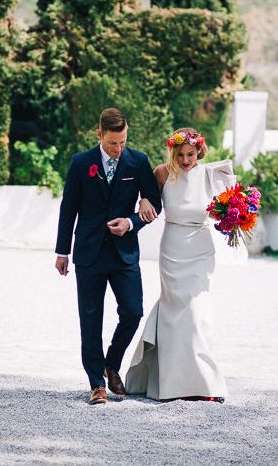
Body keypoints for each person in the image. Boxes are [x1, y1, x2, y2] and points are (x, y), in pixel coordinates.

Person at [55, 108, 161, 405]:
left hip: (123, 252)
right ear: (99, 135)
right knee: (90, 319)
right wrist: (62, 250)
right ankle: (96, 384)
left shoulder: (138, 162)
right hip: (88, 252)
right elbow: (68, 209)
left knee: (132, 311)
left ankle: (111, 362)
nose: (118, 149)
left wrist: (131, 222)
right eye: (113, 143)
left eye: (123, 142)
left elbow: (154, 204)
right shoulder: (80, 163)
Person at [125, 128, 232, 403]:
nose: (186, 160)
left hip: (200, 249)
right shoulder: (162, 173)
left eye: (191, 154)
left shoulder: (211, 174)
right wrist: (146, 199)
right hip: (172, 248)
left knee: (198, 315)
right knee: (174, 316)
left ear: (199, 152)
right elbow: (144, 195)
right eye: (181, 154)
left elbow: (231, 207)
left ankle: (205, 385)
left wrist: (237, 217)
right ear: (173, 152)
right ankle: (171, 387)